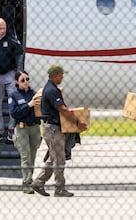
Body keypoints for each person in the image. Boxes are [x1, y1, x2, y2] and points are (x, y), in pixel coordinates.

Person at [31, 64, 87, 197]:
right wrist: (77, 122)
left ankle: (39, 182)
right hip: (53, 129)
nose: (62, 77)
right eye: (61, 74)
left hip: (53, 128)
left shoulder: (51, 88)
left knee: (53, 158)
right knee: (59, 160)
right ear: (55, 75)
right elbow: (62, 109)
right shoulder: (51, 90)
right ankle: (59, 189)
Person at [8, 70, 42, 194]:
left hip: (34, 127)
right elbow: (14, 113)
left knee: (32, 155)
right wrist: (28, 105)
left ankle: (29, 179)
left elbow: (40, 111)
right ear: (17, 82)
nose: (26, 82)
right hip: (21, 128)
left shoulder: (35, 94)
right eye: (23, 80)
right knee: (25, 155)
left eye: (27, 79)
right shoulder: (14, 95)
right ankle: (26, 182)